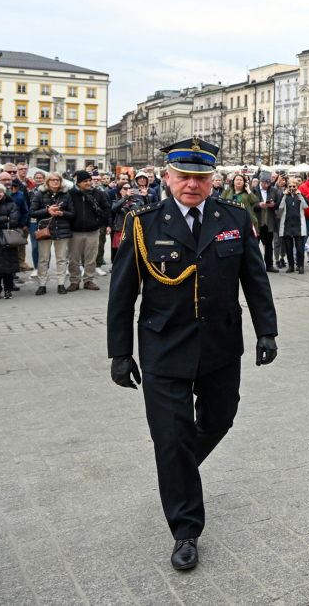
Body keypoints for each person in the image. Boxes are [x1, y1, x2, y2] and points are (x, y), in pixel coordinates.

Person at [107, 137, 277, 572]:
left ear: (212, 180)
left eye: (200, 177)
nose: (192, 184)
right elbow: (122, 294)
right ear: (167, 177)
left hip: (220, 345)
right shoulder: (144, 223)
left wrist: (267, 332)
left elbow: (255, 280)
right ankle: (186, 530)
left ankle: (177, 470)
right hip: (163, 347)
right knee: (172, 436)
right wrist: (120, 353)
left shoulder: (235, 217)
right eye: (183, 176)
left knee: (220, 418)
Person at [64, 170, 110, 291]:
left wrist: (98, 222)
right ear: (78, 183)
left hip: (93, 231)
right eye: (85, 181)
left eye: (90, 180)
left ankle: (88, 280)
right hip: (75, 231)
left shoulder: (98, 194)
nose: (89, 183)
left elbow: (106, 209)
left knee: (90, 259)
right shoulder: (70, 194)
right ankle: (74, 281)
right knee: (73, 259)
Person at [30, 173, 72, 295]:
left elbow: (73, 213)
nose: (55, 182)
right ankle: (42, 284)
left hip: (62, 230)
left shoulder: (66, 194)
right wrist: (47, 211)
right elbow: (32, 212)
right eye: (52, 180)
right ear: (47, 182)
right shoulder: (39, 194)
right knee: (43, 259)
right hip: (45, 231)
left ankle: (61, 284)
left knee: (61, 259)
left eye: (57, 180)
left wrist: (61, 213)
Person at [0, 182, 20, 299]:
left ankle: (8, 289)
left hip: (8, 238)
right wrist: (5, 218)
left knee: (8, 266)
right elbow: (9, 220)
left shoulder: (11, 204)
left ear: (4, 193)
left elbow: (14, 222)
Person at [278, 177, 309, 274]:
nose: (292, 188)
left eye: (294, 186)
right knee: (288, 247)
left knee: (300, 247)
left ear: (297, 186)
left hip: (298, 225)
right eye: (290, 186)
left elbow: (306, 206)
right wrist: (284, 195)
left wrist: (300, 195)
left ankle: (300, 265)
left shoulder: (300, 195)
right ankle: (290, 265)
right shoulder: (285, 196)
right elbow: (280, 207)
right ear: (287, 187)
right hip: (287, 224)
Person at [110, 182, 145, 261]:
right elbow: (115, 209)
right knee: (119, 252)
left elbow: (147, 209)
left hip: (133, 229)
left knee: (131, 252)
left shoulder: (138, 202)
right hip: (120, 229)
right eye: (125, 189)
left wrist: (145, 197)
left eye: (130, 188)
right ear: (120, 190)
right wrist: (126, 197)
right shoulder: (116, 202)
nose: (128, 190)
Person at [253, 172, 281, 273]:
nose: (266, 185)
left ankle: (269, 265)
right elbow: (250, 205)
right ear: (260, 181)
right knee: (254, 245)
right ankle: (254, 266)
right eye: (264, 183)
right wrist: (259, 205)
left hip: (269, 222)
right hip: (257, 221)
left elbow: (278, 204)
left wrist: (273, 205)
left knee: (269, 245)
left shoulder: (273, 190)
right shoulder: (253, 190)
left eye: (268, 183)